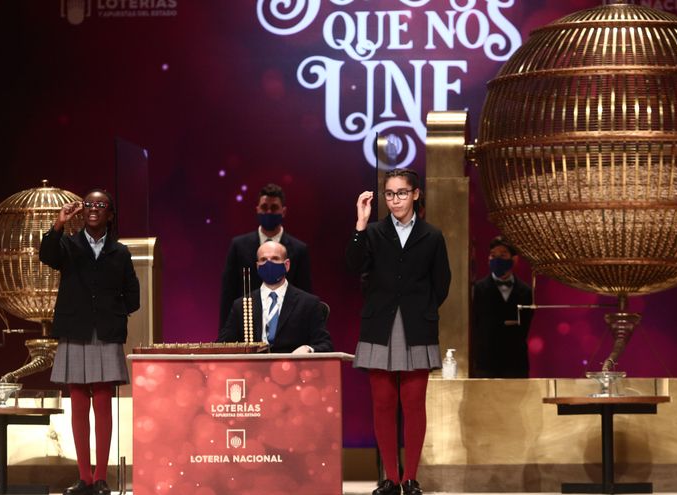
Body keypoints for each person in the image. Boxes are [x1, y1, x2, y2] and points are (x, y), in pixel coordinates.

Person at [346, 169, 451, 495]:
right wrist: (360, 225)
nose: (395, 200)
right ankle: (391, 479)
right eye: (390, 194)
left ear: (416, 194)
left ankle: (410, 479)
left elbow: (442, 284)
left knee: (414, 403)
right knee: (383, 403)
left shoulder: (432, 236)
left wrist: (422, 309)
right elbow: (353, 265)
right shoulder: (374, 233)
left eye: (402, 193)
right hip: (380, 325)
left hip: (417, 327)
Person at [40, 189, 140, 495]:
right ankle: (83, 477)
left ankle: (100, 477)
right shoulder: (69, 244)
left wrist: (110, 312)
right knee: (79, 401)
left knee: (102, 401)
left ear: (110, 214)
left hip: (105, 333)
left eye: (101, 205)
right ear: (81, 211)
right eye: (89, 204)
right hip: (76, 329)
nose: (93, 208)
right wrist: (58, 224)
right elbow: (47, 255)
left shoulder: (120, 252)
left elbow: (133, 297)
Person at [218, 183, 312, 330]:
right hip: (246, 328)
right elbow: (228, 294)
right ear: (257, 209)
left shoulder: (299, 250)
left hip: (288, 329)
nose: (268, 212)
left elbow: (305, 295)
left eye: (274, 208)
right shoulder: (238, 246)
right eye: (264, 207)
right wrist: (224, 340)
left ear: (284, 211)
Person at [218, 241, 333, 353]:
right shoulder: (241, 305)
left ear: (287, 265)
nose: (269, 264)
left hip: (293, 368)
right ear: (258, 267)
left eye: (275, 259)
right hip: (252, 370)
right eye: (263, 260)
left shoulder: (308, 303)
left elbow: (325, 344)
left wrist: (308, 349)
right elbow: (222, 345)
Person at [471, 236, 534, 378]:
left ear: (514, 259)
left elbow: (526, 326)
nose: (497, 259)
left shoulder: (526, 291)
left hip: (516, 363)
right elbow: (475, 324)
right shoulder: (478, 289)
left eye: (503, 255)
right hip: (485, 363)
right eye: (493, 255)